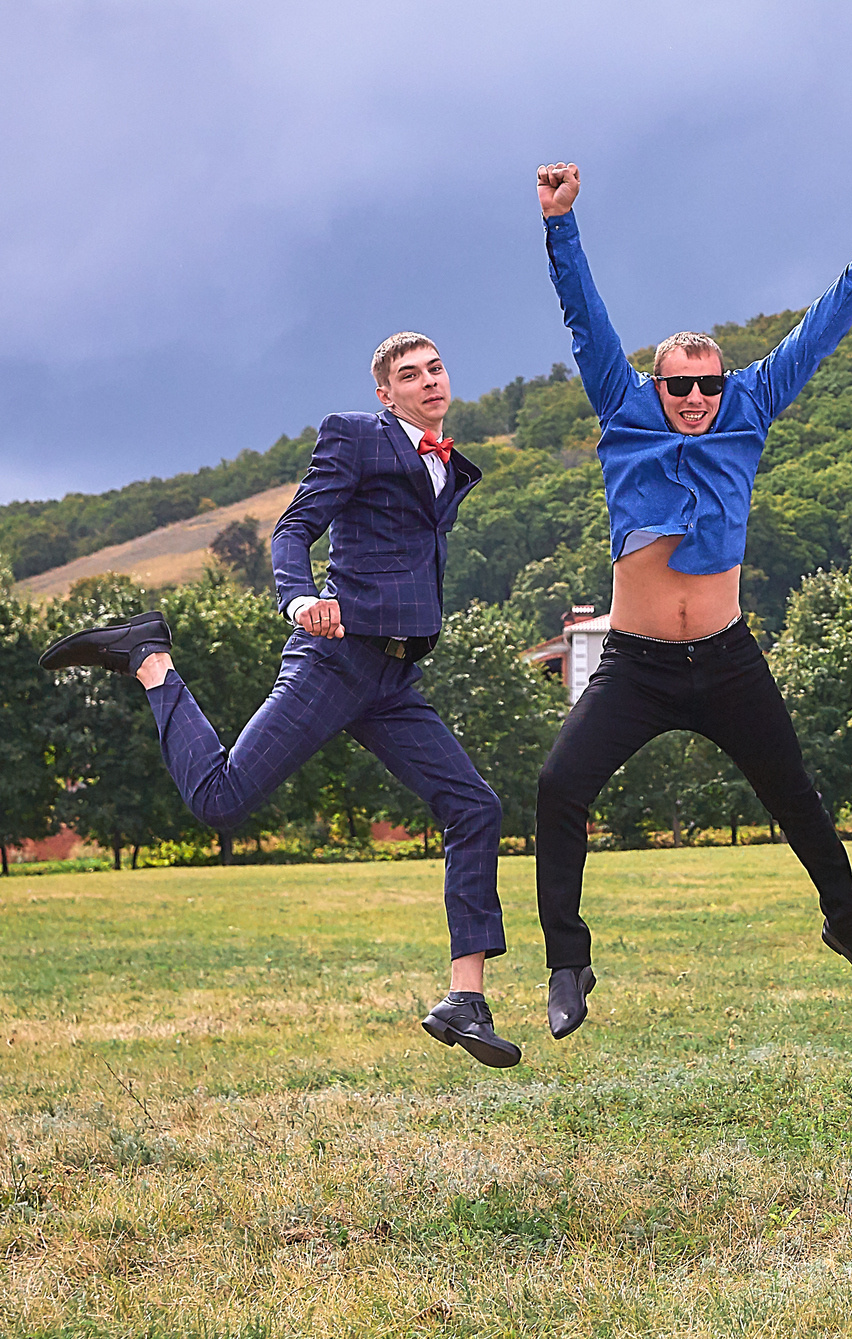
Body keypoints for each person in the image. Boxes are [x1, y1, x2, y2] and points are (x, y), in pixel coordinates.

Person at [40, 335, 517, 1065]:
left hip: (394, 678)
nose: (429, 382)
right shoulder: (356, 435)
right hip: (334, 659)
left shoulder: (442, 462)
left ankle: (465, 998)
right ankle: (150, 658)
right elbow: (294, 527)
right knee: (221, 799)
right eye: (409, 375)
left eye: (436, 368)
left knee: (475, 806)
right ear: (385, 393)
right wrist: (299, 600)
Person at [531, 162, 852, 1036]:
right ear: (655, 386)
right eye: (681, 386)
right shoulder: (623, 410)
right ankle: (568, 962)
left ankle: (850, 928)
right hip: (635, 665)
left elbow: (816, 335)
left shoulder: (751, 404)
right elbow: (584, 315)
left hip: (727, 657)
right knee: (559, 787)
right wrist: (559, 222)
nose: (697, 399)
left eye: (708, 384)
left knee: (796, 794)